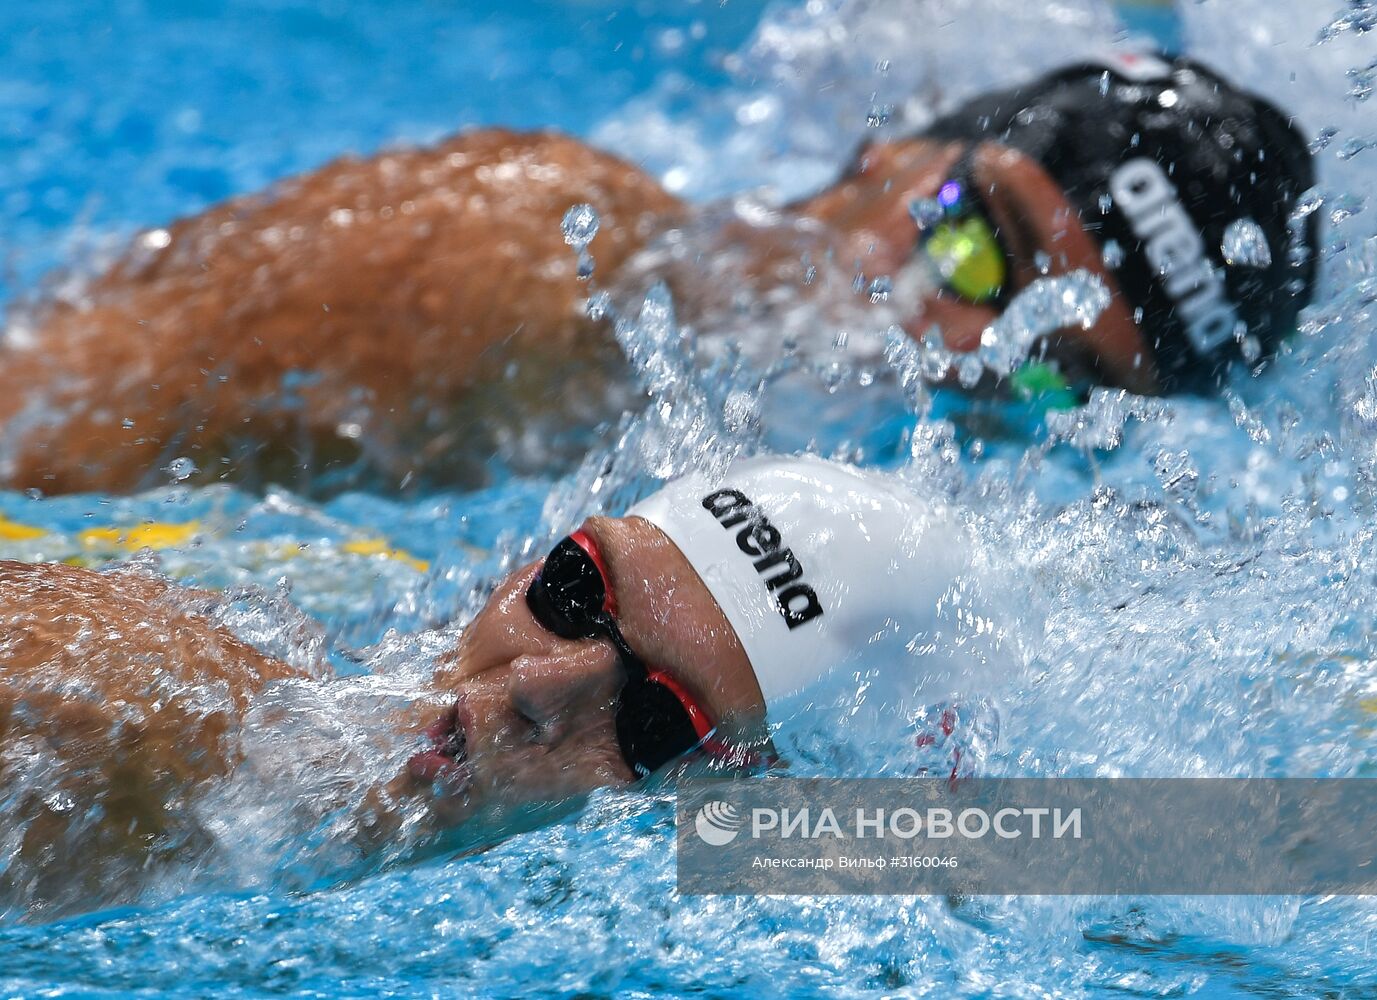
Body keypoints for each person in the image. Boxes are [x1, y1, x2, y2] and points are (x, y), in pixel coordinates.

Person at [0, 52, 1317, 495]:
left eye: (1049, 367)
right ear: (896, 144)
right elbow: (31, 413)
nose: (968, 349)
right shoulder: (530, 249)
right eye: (982, 244)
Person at [0, 453, 1007, 915]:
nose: (539, 684)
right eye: (572, 590)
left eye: (656, 718)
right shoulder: (132, 723)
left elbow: (1137, 844)